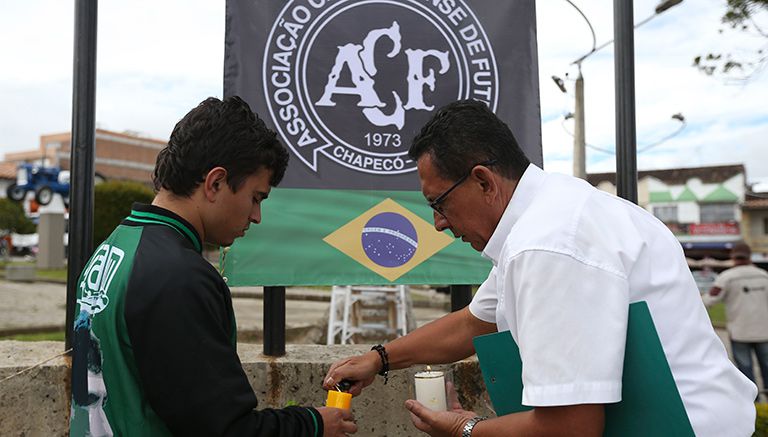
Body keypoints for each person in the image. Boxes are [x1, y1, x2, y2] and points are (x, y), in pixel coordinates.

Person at [323, 99, 757, 436]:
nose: (438, 223)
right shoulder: (549, 215)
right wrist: (377, 359)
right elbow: (473, 323)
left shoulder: (548, 244)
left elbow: (569, 428)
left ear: (483, 181)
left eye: (439, 203)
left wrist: (467, 428)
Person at [70, 96, 357, 436]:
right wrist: (312, 425)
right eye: (256, 197)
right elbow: (223, 429)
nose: (256, 216)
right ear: (216, 182)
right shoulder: (178, 275)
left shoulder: (114, 247)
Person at [704, 242, 768, 397]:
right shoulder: (764, 275)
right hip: (764, 331)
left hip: (740, 332)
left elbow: (708, 300)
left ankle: (754, 403)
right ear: (749, 256)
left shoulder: (726, 277)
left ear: (733, 256)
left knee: (746, 372)